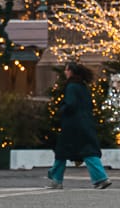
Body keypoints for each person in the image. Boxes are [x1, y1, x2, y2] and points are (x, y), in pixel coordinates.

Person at [47, 62, 110, 190]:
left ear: (71, 72)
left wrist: (61, 110)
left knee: (61, 152)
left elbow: (70, 104)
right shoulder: (83, 87)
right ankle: (100, 177)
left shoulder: (71, 87)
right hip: (85, 123)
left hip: (72, 125)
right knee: (89, 151)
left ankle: (56, 179)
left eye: (66, 70)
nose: (65, 72)